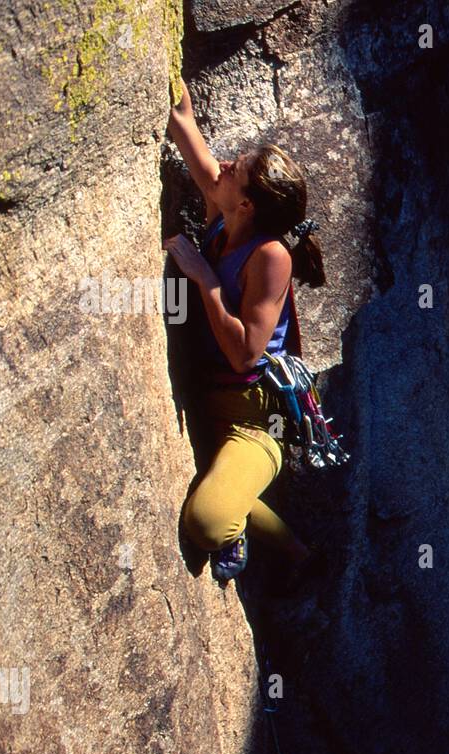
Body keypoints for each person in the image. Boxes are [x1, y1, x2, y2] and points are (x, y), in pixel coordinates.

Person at [164, 77, 323, 582]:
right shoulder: (224, 213)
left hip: (254, 423)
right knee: (220, 481)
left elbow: (245, 356)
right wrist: (172, 94)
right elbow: (188, 133)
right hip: (210, 402)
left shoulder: (269, 256)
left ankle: (240, 531)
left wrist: (207, 280)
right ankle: (298, 554)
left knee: (208, 523)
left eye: (238, 170)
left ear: (248, 204)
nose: (226, 165)